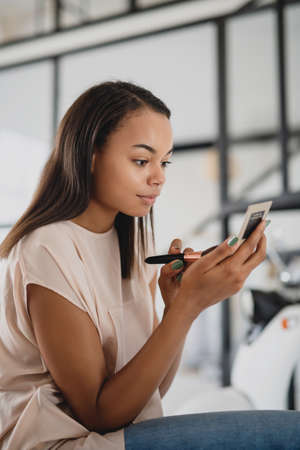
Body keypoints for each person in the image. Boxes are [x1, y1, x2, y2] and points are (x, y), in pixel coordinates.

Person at [0, 80, 299, 450]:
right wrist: (188, 308)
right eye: (142, 161)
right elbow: (100, 414)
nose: (159, 177)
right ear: (90, 155)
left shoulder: (127, 242)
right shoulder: (47, 249)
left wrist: (175, 306)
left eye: (164, 161)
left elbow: (149, 393)